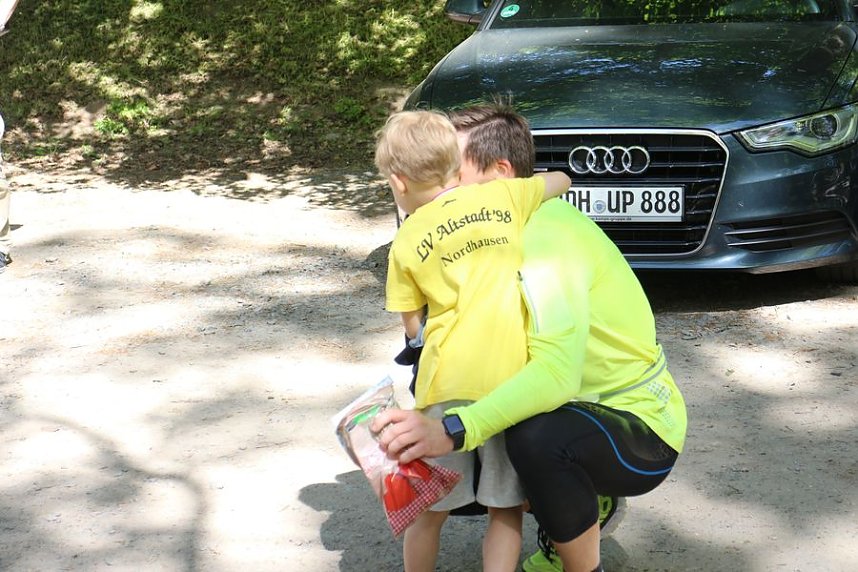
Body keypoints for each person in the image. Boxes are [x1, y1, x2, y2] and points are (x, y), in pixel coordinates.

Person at [372, 103, 688, 572]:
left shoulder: (543, 240)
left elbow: (556, 376)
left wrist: (451, 429)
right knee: (488, 442)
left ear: (502, 175)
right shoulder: (483, 237)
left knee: (529, 438)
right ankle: (568, 502)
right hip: (576, 408)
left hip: (638, 427)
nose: (443, 185)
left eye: (454, 169)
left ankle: (581, 542)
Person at [374, 109, 571, 572]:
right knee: (505, 507)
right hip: (509, 384)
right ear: (454, 166)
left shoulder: (406, 239)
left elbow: (412, 327)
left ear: (399, 182)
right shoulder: (503, 195)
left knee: (431, 505)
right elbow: (561, 180)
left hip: (446, 383)